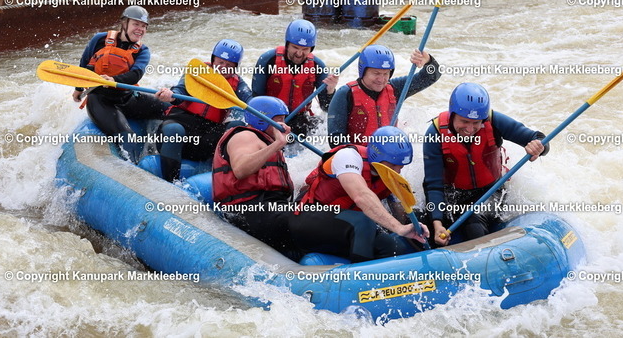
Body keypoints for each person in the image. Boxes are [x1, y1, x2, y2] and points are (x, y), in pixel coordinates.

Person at [423, 82, 549, 246]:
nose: (470, 129)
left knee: (473, 221)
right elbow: (433, 184)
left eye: (476, 123)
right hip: (453, 195)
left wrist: (539, 147)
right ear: (452, 114)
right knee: (426, 224)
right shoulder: (435, 133)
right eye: (464, 121)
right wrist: (437, 223)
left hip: (491, 192)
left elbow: (539, 138)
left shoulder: (494, 121)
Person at [289, 126, 430, 262]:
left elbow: (399, 215)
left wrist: (413, 227)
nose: (397, 171)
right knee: (363, 221)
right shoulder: (348, 156)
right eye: (393, 165)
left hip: (344, 227)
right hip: (309, 218)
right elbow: (361, 196)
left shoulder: (390, 175)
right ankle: (361, 275)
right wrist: (398, 228)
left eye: (401, 166)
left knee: (394, 247)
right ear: (377, 155)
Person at [72, 6, 167, 162]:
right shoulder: (99, 39)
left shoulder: (143, 51)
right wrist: (78, 88)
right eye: (136, 24)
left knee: (169, 108)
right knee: (128, 137)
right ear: (124, 23)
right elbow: (84, 64)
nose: (140, 29)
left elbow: (136, 75)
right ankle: (134, 169)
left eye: (144, 26)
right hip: (101, 100)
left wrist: (114, 81)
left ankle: (158, 143)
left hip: (127, 97)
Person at [154, 39, 252, 182]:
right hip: (182, 125)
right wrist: (171, 95)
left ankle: (225, 179)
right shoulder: (197, 71)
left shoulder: (238, 84)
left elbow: (250, 101)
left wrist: (265, 113)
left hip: (207, 136)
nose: (223, 68)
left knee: (237, 126)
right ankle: (170, 183)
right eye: (220, 62)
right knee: (174, 129)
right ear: (213, 60)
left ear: (235, 67)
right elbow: (180, 91)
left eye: (229, 65)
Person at [212, 96, 298, 258]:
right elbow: (240, 170)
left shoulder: (266, 140)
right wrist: (277, 144)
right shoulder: (244, 136)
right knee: (307, 222)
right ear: (262, 120)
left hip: (268, 207)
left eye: (284, 120)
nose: (285, 126)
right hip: (248, 209)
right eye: (279, 120)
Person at [327, 44, 440, 148]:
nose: (381, 79)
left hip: (389, 156)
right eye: (376, 73)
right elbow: (335, 139)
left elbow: (430, 77)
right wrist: (365, 154)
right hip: (356, 156)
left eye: (386, 74)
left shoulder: (395, 88)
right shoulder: (345, 94)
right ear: (363, 71)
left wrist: (428, 61)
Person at [251, 19, 339, 138]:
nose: (299, 53)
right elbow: (256, 98)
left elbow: (326, 108)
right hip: (271, 119)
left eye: (305, 49)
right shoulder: (268, 60)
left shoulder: (318, 66)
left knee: (328, 127)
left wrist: (331, 90)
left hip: (301, 120)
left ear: (311, 49)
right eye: (295, 47)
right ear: (287, 44)